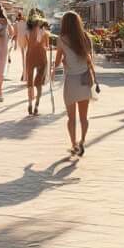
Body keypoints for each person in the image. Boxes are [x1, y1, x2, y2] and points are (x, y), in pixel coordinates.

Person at [53, 11, 96, 155]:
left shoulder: (62, 40)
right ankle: (82, 141)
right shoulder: (85, 37)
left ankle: (74, 144)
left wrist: (61, 61)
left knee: (71, 118)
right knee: (84, 117)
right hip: (84, 79)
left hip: (71, 80)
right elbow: (90, 59)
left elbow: (58, 62)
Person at [23, 9, 50, 116]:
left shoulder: (27, 31)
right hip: (41, 57)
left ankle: (30, 103)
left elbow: (26, 44)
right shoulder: (44, 32)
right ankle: (36, 106)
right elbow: (46, 46)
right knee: (38, 83)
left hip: (29, 56)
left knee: (30, 81)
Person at [13, 11, 29, 81]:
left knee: (23, 58)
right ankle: (25, 74)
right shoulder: (27, 23)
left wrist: (15, 45)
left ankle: (24, 75)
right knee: (26, 58)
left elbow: (15, 34)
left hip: (21, 40)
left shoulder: (16, 24)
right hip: (27, 40)